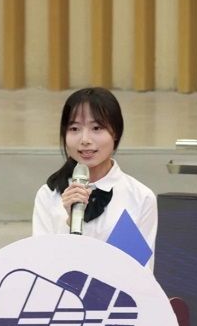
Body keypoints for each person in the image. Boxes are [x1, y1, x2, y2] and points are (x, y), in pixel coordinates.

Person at [32, 87, 158, 270]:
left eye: (96, 128)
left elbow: (140, 274)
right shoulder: (48, 195)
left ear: (115, 132)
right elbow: (41, 266)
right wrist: (69, 222)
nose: (85, 139)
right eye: (74, 129)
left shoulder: (140, 197)